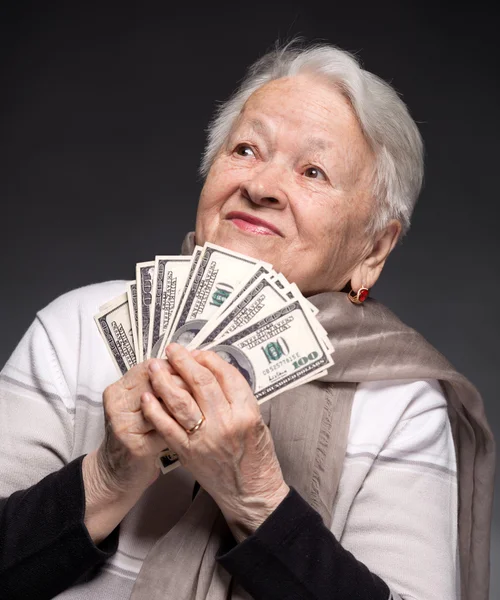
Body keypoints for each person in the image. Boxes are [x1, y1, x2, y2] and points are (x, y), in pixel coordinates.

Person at [0, 40, 495, 600]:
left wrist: (257, 498)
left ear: (374, 249)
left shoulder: (402, 408)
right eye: (245, 150)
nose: (259, 187)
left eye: (312, 170)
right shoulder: (77, 330)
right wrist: (105, 478)